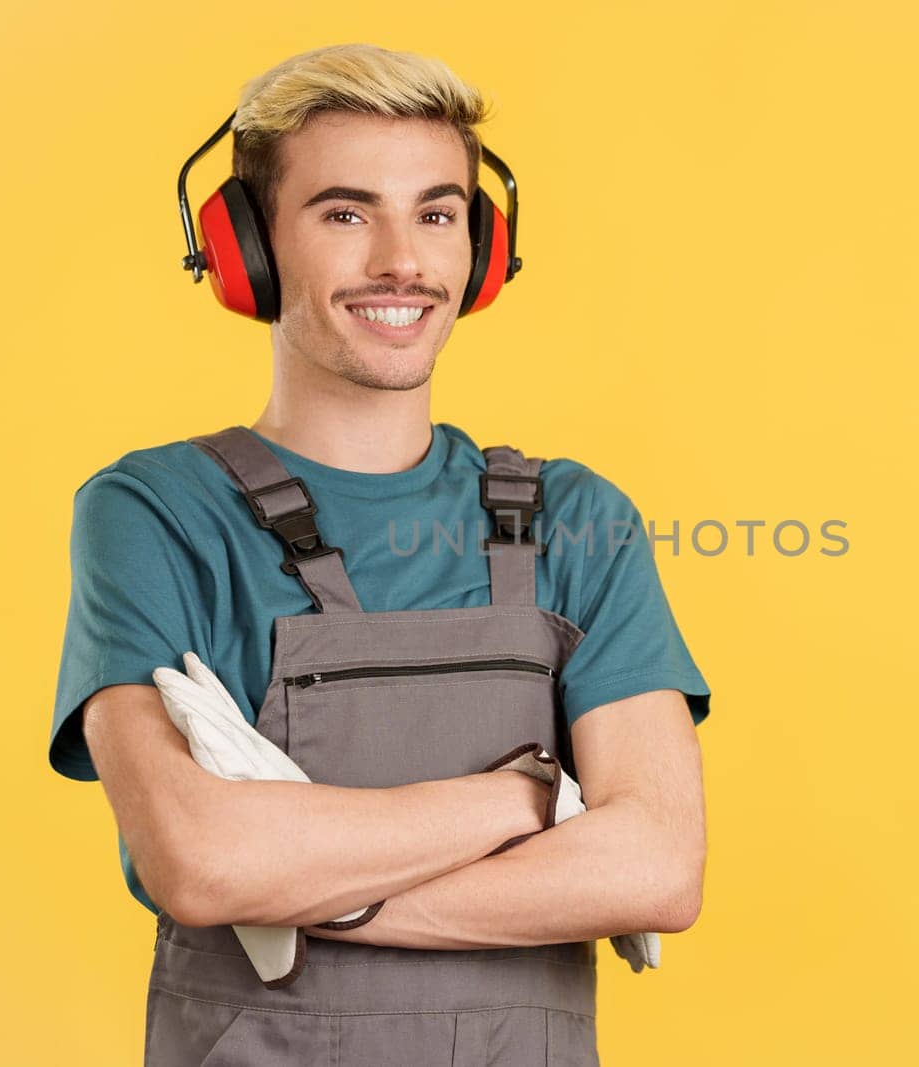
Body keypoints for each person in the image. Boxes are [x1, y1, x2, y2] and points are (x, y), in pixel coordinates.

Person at [47, 42, 711, 1064]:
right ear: (249, 251)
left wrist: (316, 888)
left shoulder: (578, 516)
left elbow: (656, 867)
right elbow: (202, 861)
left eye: (437, 213)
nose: (402, 260)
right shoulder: (154, 509)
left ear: (481, 253)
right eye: (346, 212)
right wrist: (525, 796)